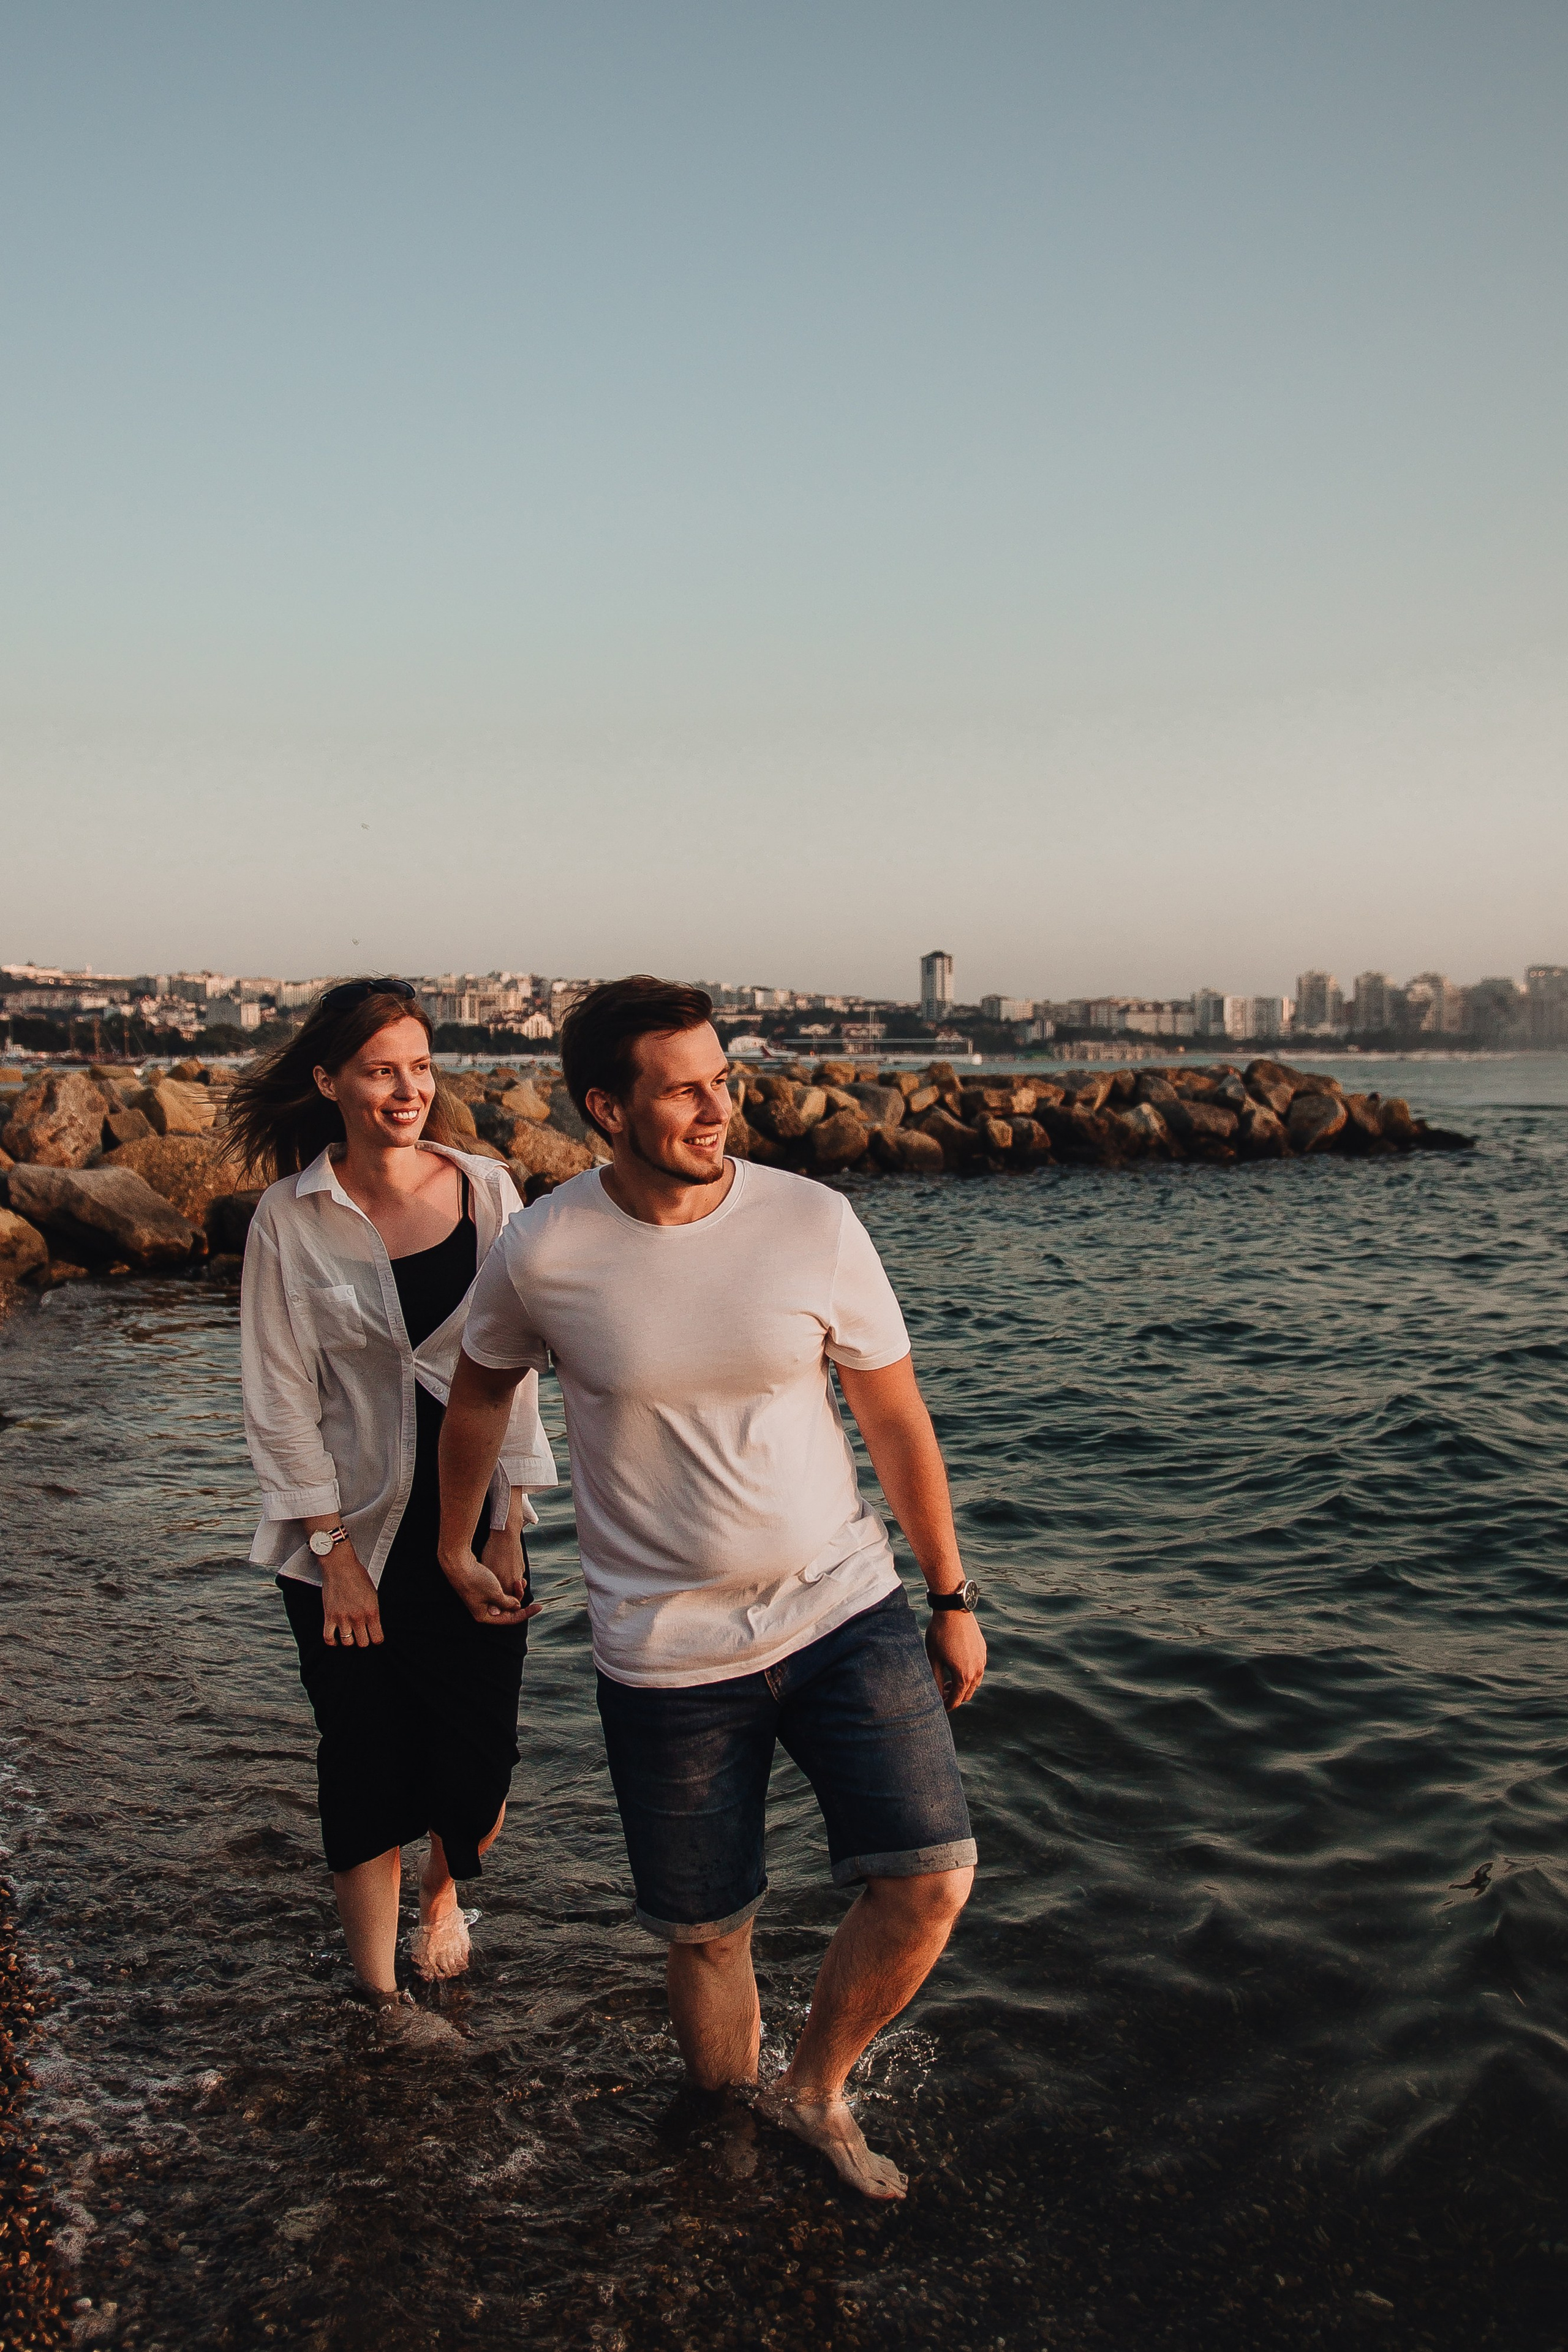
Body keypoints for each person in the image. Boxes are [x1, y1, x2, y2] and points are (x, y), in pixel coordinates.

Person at [438, 976, 985, 2198]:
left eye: (720, 1080)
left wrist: (949, 1594)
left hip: (843, 1607)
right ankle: (729, 2142)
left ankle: (816, 2088)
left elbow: (891, 1415)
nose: (714, 1107)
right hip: (663, 1651)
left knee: (930, 1875)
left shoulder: (813, 1222)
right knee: (706, 1931)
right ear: (605, 1107)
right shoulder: (544, 1246)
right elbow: (478, 1386)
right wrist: (452, 1541)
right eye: (680, 1088)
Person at [230, 979, 557, 2016]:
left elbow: (518, 1372)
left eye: (420, 1067)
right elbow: (279, 1394)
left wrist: (510, 1520)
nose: (407, 1088)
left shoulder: (488, 1188)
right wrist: (330, 1555)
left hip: (472, 1523)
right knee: (364, 1761)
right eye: (381, 1070)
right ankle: (377, 1999)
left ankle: (443, 1890)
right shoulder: (291, 1218)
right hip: (350, 1535)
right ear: (330, 1082)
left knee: (480, 1769)